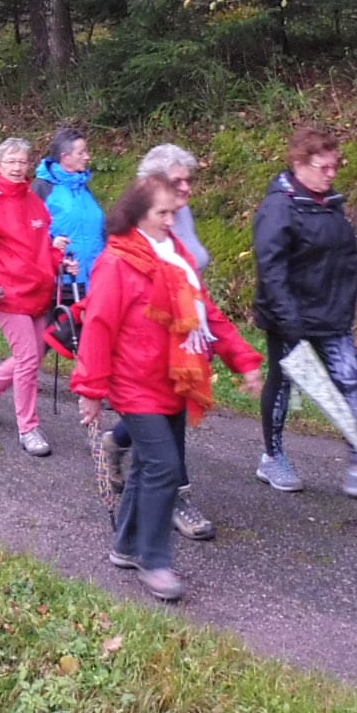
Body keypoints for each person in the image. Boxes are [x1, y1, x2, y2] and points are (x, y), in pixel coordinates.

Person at [74, 175, 264, 603]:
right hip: (133, 382)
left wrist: (244, 360)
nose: (169, 219)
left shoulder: (176, 255)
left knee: (145, 467)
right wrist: (90, 388)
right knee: (163, 466)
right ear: (138, 215)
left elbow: (206, 314)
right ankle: (153, 560)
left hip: (175, 379)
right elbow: (99, 326)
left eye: (171, 212)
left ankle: (125, 547)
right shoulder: (117, 262)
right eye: (161, 212)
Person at [250, 126, 357, 501]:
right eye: (323, 167)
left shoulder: (330, 202)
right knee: (284, 386)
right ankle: (272, 457)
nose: (331, 173)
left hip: (333, 318)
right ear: (299, 164)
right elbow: (271, 271)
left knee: (350, 382)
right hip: (291, 321)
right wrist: (289, 323)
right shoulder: (278, 208)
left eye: (335, 166)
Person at [121, 143, 218, 541]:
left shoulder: (180, 215)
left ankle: (130, 542)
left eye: (188, 180)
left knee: (159, 431)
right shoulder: (136, 224)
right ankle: (171, 509)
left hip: (184, 334)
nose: (187, 188)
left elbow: (191, 261)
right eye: (177, 181)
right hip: (149, 347)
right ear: (151, 185)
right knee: (162, 439)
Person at [0, 136, 64, 457]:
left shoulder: (33, 200)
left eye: (22, 162)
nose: (18, 168)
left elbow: (39, 248)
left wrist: (58, 255)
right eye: (11, 162)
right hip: (8, 294)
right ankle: (29, 428)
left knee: (32, 355)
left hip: (38, 292)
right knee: (29, 359)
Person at [33, 127, 107, 289]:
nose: (87, 157)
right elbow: (29, 233)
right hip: (64, 284)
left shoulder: (82, 186)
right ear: (65, 157)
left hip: (97, 280)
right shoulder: (43, 188)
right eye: (81, 153)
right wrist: (52, 242)